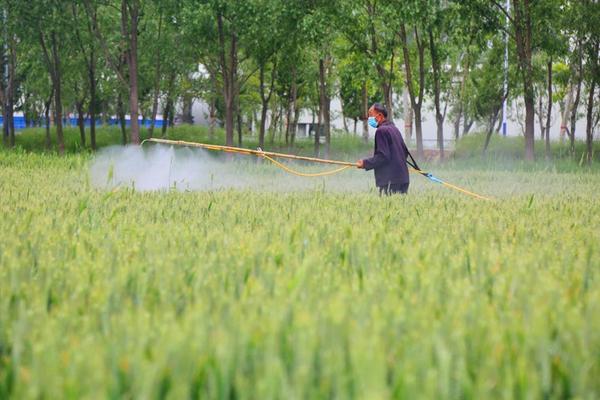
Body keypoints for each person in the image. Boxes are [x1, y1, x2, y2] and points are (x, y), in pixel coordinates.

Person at [356, 103, 410, 195]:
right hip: (403, 179)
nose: (369, 118)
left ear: (380, 116)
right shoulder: (394, 129)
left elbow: (383, 156)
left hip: (390, 181)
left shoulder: (381, 131)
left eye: (370, 115)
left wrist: (365, 163)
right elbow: (405, 153)